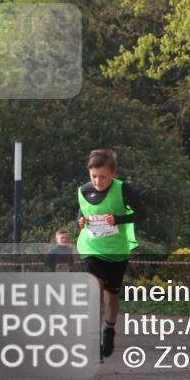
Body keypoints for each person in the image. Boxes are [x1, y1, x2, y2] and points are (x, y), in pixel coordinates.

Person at [75, 149, 146, 359]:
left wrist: (119, 219)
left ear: (113, 174)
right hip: (91, 248)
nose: (98, 181)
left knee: (111, 298)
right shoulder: (84, 190)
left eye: (103, 176)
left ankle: (109, 329)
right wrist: (79, 222)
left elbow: (142, 214)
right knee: (95, 293)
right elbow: (81, 213)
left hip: (116, 251)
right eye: (94, 175)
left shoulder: (123, 189)